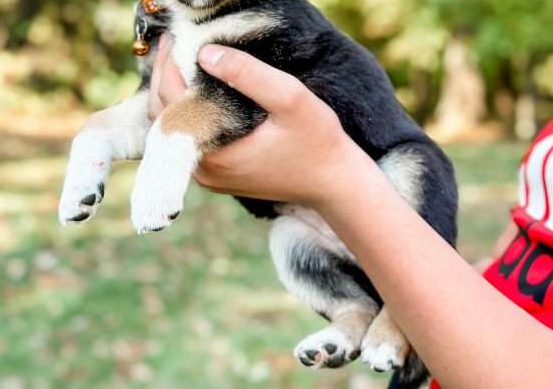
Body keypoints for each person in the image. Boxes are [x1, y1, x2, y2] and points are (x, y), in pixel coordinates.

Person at [149, 34, 553, 389]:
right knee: (286, 239)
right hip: (467, 341)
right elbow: (529, 227)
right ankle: (353, 317)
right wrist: (462, 292)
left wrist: (334, 179)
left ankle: (384, 323)